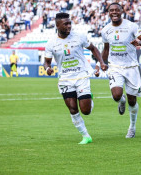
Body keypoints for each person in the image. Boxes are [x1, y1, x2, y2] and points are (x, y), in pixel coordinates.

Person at [44, 12, 107, 144]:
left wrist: (101, 62)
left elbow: (93, 48)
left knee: (86, 111)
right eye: (65, 24)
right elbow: (47, 61)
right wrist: (47, 68)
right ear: (57, 25)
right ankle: (86, 136)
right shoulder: (51, 43)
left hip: (81, 76)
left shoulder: (79, 36)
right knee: (73, 108)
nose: (69, 26)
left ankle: (89, 99)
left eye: (69, 23)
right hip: (65, 79)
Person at [100, 3, 141, 138]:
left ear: (122, 11)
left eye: (117, 10)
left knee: (132, 101)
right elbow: (106, 49)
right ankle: (121, 101)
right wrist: (101, 63)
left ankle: (132, 127)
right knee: (116, 95)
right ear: (108, 12)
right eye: (111, 10)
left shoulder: (131, 26)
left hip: (131, 67)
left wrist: (139, 43)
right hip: (115, 67)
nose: (114, 12)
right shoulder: (105, 30)